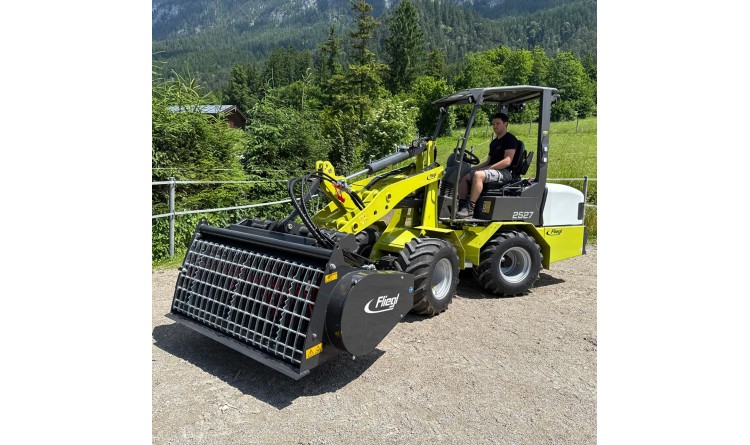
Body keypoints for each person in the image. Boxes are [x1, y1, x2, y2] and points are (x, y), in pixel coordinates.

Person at [455, 112, 519, 218]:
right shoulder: (494, 143)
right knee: (464, 174)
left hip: (505, 172)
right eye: (493, 124)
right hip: (492, 170)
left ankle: (470, 208)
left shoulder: (510, 139)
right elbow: (488, 161)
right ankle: (462, 205)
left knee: (478, 175)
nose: (495, 126)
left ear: (505, 124)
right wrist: (472, 168)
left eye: (498, 123)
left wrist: (487, 169)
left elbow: (507, 161)